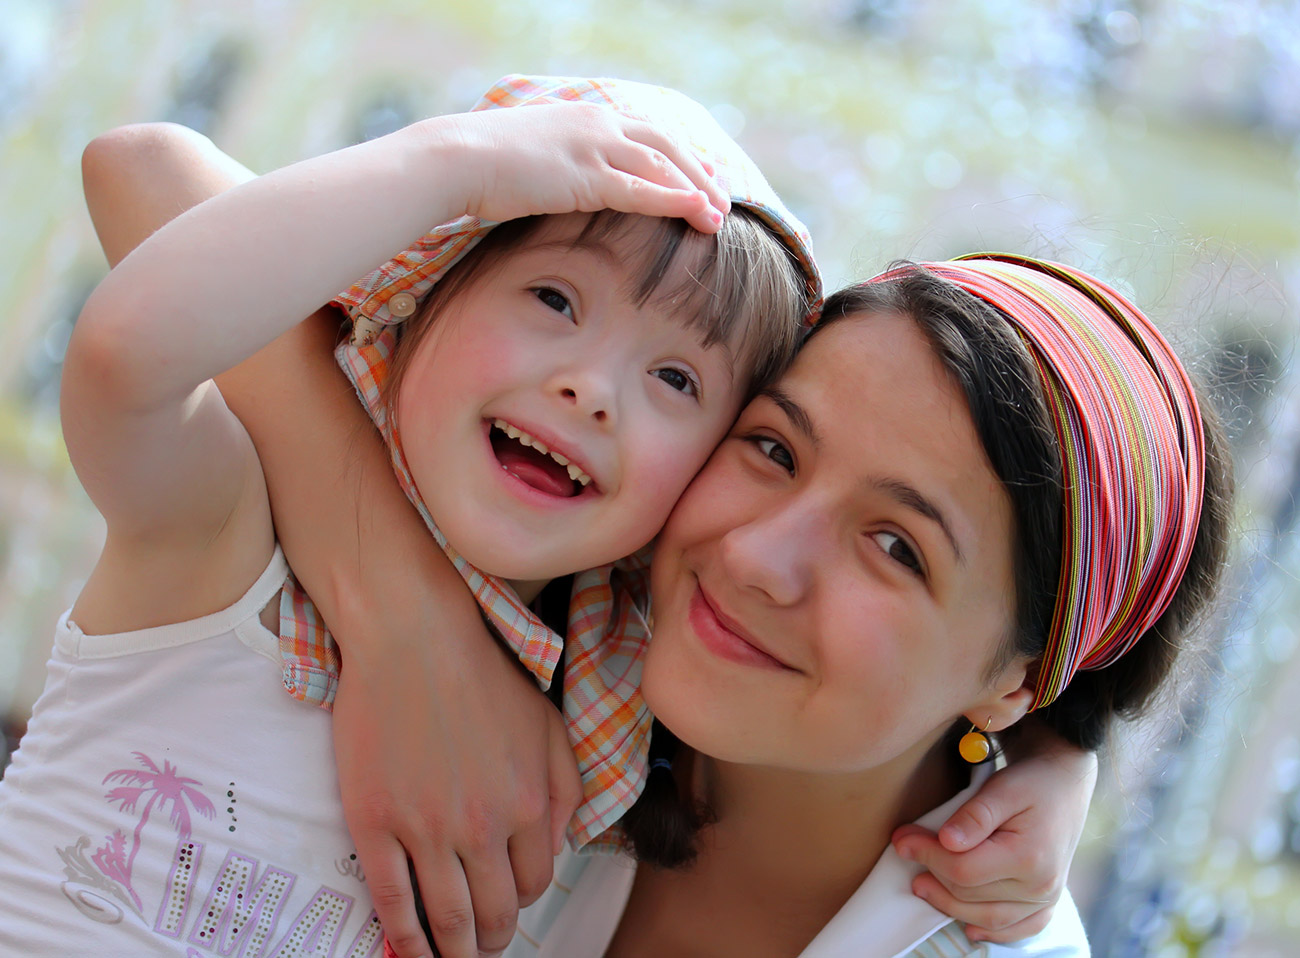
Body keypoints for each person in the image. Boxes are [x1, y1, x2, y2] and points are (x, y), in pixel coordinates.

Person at [63, 82, 1109, 958]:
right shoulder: (234, 532)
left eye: (675, 379)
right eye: (555, 300)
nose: (592, 391)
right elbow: (139, 204)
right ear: (418, 300)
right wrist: (460, 165)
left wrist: (1047, 760)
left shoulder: (600, 695)